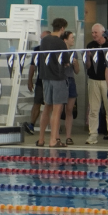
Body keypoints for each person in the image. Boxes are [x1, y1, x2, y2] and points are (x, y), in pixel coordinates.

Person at [37, 18, 69, 148]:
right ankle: (53, 140)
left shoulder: (44, 40)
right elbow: (66, 62)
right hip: (58, 77)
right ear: (62, 28)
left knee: (47, 108)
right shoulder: (60, 42)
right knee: (57, 109)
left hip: (45, 77)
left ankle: (41, 139)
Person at [85, 23, 108, 145]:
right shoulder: (90, 46)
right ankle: (93, 135)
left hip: (107, 81)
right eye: (92, 32)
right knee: (93, 110)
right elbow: (88, 66)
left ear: (102, 33)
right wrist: (88, 58)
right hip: (93, 80)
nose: (93, 35)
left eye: (95, 33)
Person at [24, 30, 50, 136]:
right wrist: (30, 80)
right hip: (40, 80)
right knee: (37, 102)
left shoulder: (55, 49)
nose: (42, 40)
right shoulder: (37, 49)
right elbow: (32, 66)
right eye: (41, 38)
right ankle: (32, 124)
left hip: (53, 80)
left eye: (44, 38)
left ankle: (53, 125)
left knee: (51, 104)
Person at [61, 31, 80, 145]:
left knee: (69, 110)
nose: (73, 39)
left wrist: (75, 64)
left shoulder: (74, 53)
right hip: (61, 80)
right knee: (58, 110)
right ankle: (57, 136)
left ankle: (68, 136)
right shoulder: (60, 52)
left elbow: (77, 71)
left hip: (71, 80)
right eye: (71, 38)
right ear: (65, 40)